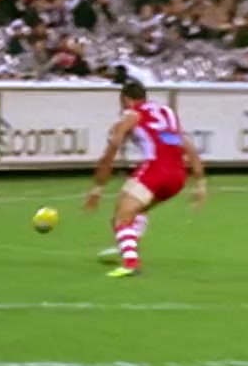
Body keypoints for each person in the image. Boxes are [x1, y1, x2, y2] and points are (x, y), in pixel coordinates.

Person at [83, 81, 206, 278]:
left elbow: (113, 147)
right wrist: (200, 184)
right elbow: (186, 144)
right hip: (177, 176)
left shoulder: (132, 114)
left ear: (126, 99)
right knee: (132, 211)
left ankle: (131, 263)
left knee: (122, 216)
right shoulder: (166, 112)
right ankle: (126, 246)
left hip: (155, 170)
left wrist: (97, 189)